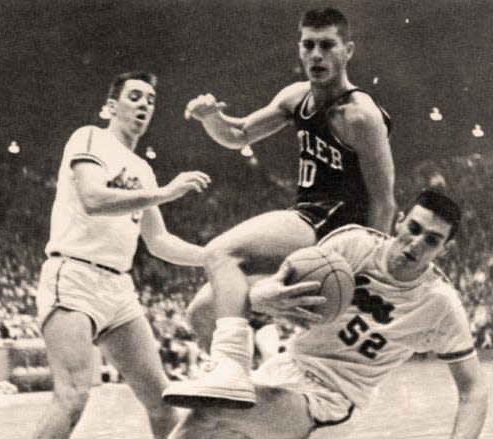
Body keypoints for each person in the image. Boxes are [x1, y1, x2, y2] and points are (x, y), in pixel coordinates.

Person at [163, 7, 396, 407]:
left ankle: (232, 368)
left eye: (327, 45)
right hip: (307, 224)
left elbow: (384, 200)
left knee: (221, 250)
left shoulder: (361, 115)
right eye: (309, 45)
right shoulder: (295, 97)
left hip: (336, 230)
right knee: (203, 312)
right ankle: (255, 402)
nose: (317, 54)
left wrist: (367, 275)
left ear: (348, 50)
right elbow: (238, 134)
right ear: (300, 49)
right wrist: (209, 118)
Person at [166, 189, 487, 439]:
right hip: (285, 367)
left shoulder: (440, 304)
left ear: (444, 250)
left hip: (333, 398)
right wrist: (262, 299)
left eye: (432, 240)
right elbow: (278, 287)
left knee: (210, 413)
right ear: (400, 221)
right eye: (414, 228)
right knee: (204, 312)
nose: (416, 244)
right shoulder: (352, 244)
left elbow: (473, 389)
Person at [32, 71, 211, 439]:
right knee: (73, 397)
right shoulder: (90, 137)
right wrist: (164, 193)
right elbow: (94, 199)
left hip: (117, 288)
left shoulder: (143, 169)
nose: (144, 104)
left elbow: (159, 241)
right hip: (74, 275)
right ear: (111, 107)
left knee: (162, 399)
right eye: (134, 97)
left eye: (150, 100)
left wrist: (213, 257)